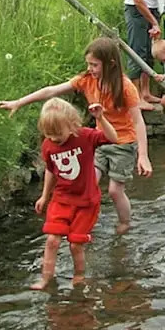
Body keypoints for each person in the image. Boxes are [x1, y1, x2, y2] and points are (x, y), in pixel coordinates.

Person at [0, 37, 153, 235]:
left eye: (94, 65)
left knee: (114, 190)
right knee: (88, 183)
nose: (90, 68)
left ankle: (125, 222)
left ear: (110, 64)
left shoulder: (125, 86)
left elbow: (138, 121)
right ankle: (83, 223)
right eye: (88, 64)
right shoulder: (86, 80)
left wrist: (143, 156)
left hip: (123, 143)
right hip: (99, 141)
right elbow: (52, 91)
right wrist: (19, 102)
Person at [31, 97, 118, 289]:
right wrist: (45, 196)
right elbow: (51, 171)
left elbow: (113, 138)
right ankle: (46, 278)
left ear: (72, 125)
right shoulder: (48, 145)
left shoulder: (85, 136)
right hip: (61, 199)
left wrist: (101, 118)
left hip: (86, 202)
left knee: (75, 244)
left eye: (58, 133)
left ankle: (79, 275)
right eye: (48, 134)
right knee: (52, 240)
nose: (54, 139)